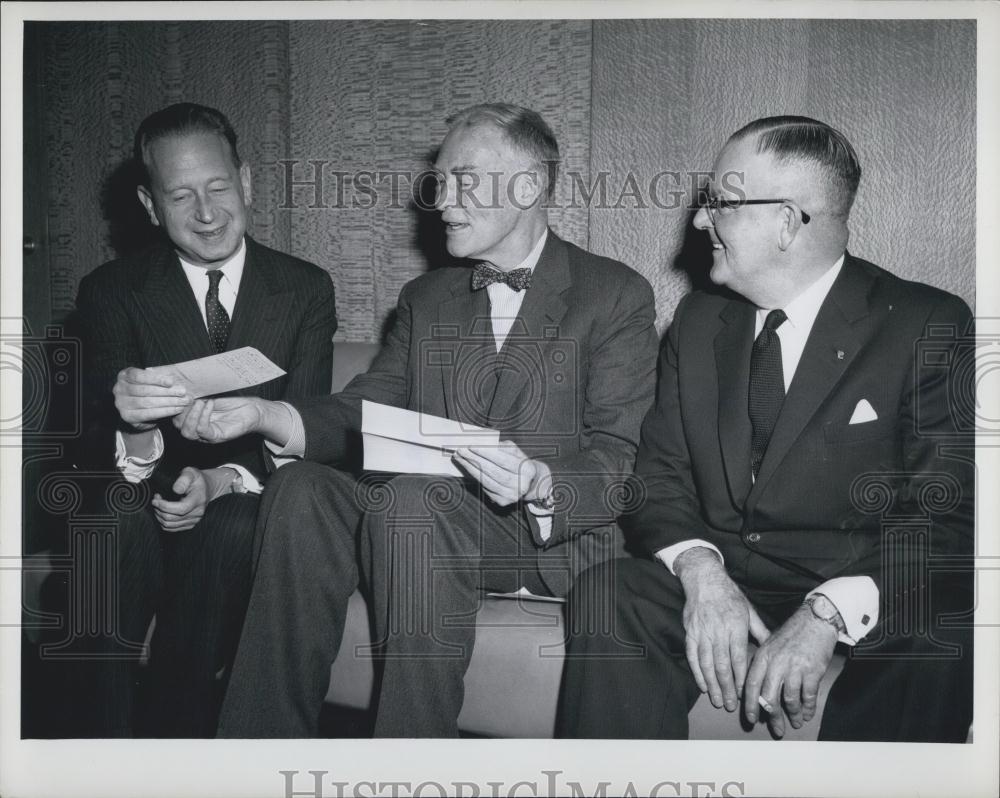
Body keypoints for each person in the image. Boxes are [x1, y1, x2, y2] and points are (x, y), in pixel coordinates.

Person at [177, 103, 659, 737]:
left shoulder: (614, 294)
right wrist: (269, 414)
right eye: (439, 181)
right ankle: (255, 752)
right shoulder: (426, 298)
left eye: (463, 179)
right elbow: (364, 408)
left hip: (538, 537)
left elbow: (619, 459)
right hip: (424, 519)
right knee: (302, 490)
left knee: (413, 502)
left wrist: (539, 480)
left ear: (530, 186)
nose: (442, 201)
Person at [557, 116, 975, 742]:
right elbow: (659, 477)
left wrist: (826, 613)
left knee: (943, 625)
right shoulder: (700, 321)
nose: (700, 222)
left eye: (719, 203)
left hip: (861, 579)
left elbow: (948, 515)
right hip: (731, 573)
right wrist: (701, 572)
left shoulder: (925, 323)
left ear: (786, 221)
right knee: (613, 591)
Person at [70, 102, 337, 737]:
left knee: (235, 527)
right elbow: (89, 446)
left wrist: (219, 483)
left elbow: (301, 432)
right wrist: (134, 424)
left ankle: (177, 734)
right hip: (138, 495)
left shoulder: (304, 289)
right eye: (181, 196)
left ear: (245, 181)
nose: (208, 213)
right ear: (148, 203)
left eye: (219, 188)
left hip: (241, 496)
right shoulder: (110, 290)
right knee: (108, 522)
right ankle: (92, 749)